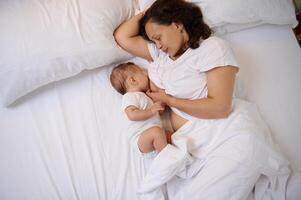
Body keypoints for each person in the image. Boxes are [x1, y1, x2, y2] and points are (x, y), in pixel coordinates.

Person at [114, 0, 290, 199]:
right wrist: (149, 12)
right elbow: (122, 36)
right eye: (153, 41)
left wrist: (169, 100)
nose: (158, 45)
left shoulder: (212, 48)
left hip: (225, 134)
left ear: (177, 24)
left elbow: (220, 107)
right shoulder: (160, 54)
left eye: (158, 37)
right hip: (188, 146)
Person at [110, 62, 170, 158]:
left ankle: (173, 155)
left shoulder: (145, 97)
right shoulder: (129, 96)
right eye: (143, 73)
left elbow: (158, 113)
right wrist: (151, 110)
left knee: (171, 136)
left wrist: (159, 105)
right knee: (157, 132)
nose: (146, 74)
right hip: (140, 139)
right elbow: (132, 115)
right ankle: (166, 160)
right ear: (133, 80)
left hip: (153, 135)